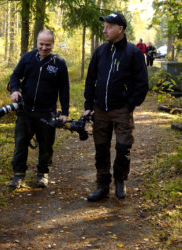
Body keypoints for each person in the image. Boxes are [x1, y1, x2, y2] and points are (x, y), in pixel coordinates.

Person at [84, 12, 148, 201]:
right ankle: (102, 185)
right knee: (101, 148)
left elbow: (142, 84)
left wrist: (129, 105)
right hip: (100, 110)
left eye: (109, 27)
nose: (104, 30)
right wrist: (88, 105)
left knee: (123, 147)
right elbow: (90, 80)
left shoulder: (133, 53)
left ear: (120, 29)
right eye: (104, 26)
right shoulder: (100, 51)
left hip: (121, 110)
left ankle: (120, 181)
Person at [8, 29, 70, 188]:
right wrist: (15, 90)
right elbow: (15, 76)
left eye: (48, 45)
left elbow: (64, 89)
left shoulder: (59, 63)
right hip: (25, 111)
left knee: (46, 145)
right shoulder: (28, 58)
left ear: (53, 44)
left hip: (47, 113)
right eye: (41, 44)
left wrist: (65, 112)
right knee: (21, 143)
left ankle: (43, 174)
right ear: (37, 43)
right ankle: (18, 176)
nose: (44, 47)